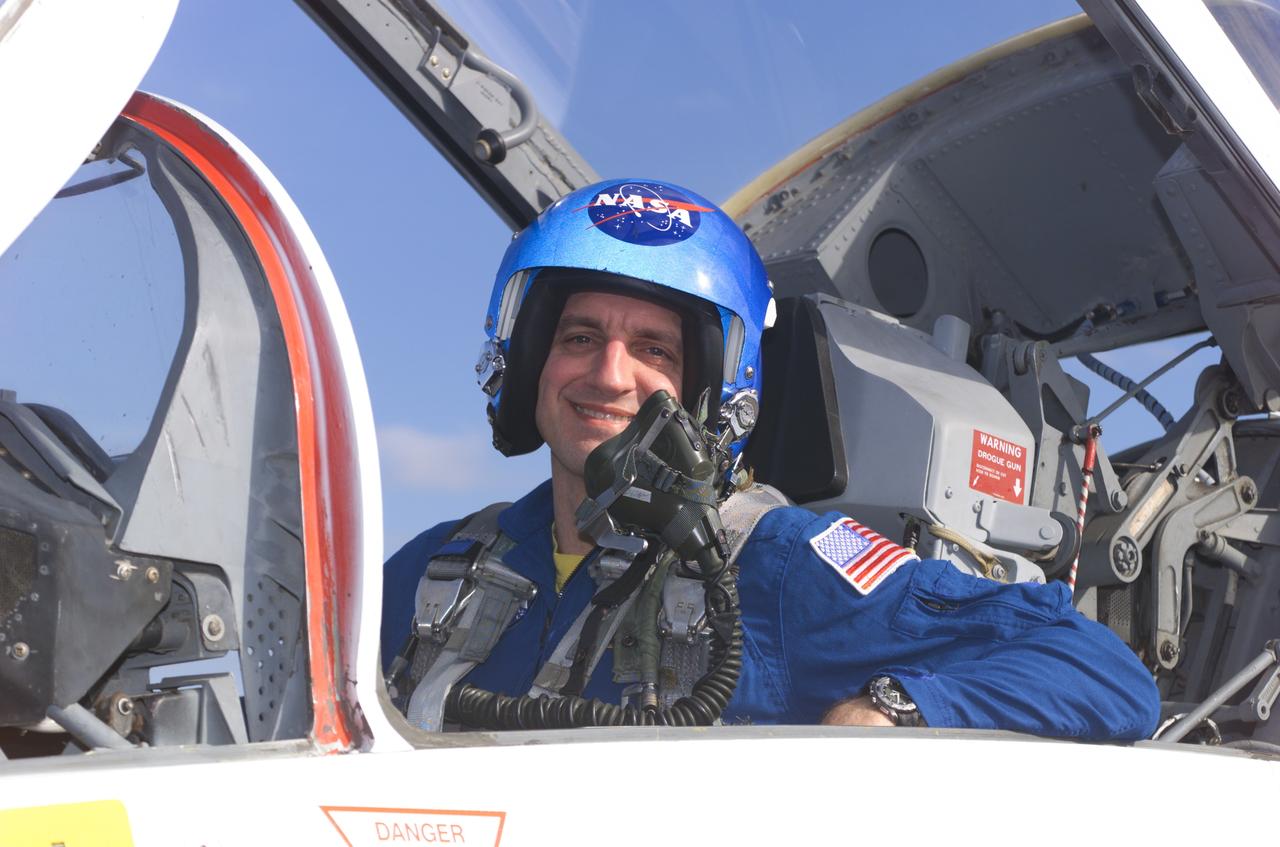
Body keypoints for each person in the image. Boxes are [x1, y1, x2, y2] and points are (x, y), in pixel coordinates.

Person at [382, 178, 1160, 737]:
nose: (609, 374)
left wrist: (893, 709)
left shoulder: (772, 564)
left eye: (654, 350)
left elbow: (1098, 668)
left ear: (709, 392)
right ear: (531, 363)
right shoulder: (438, 570)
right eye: (581, 336)